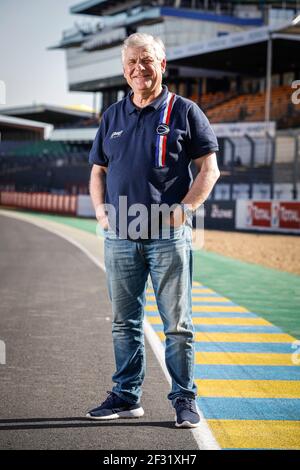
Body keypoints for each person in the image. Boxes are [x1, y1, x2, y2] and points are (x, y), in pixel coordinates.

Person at [87, 33, 220, 428]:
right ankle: (126, 396)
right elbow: (98, 171)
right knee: (123, 322)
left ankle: (183, 398)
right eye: (131, 62)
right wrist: (100, 212)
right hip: (119, 237)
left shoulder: (185, 111)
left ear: (162, 65)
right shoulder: (111, 116)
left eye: (147, 60)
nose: (138, 68)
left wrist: (187, 208)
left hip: (167, 237)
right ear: (124, 70)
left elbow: (208, 169)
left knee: (177, 324)